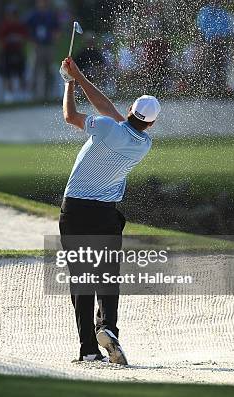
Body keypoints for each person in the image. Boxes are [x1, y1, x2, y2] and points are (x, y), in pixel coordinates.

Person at [59, 56, 160, 365]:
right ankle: (108, 328)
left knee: (82, 279)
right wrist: (78, 77)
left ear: (130, 110)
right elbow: (110, 112)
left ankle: (88, 349)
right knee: (107, 276)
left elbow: (70, 116)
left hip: (75, 210)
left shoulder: (104, 127)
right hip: (106, 214)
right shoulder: (144, 143)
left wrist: (70, 82)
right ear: (151, 123)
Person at [26, 0, 60, 99]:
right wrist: (31, 39)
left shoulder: (51, 15)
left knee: (49, 70)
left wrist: (55, 38)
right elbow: (26, 27)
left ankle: (47, 94)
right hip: (37, 46)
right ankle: (35, 95)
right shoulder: (33, 15)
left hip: (49, 45)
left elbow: (57, 28)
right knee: (35, 70)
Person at [196, 0, 231, 93]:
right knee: (206, 64)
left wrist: (219, 36)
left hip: (220, 42)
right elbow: (201, 27)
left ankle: (220, 87)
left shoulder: (223, 12)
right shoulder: (204, 11)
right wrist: (209, 37)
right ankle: (206, 87)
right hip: (208, 42)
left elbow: (226, 28)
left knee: (221, 65)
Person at [0, 4, 28, 102]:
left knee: (21, 73)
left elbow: (24, 38)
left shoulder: (20, 26)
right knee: (7, 74)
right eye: (11, 15)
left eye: (14, 15)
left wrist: (18, 40)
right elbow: (0, 40)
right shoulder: (4, 26)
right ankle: (9, 95)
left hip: (17, 51)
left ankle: (23, 95)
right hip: (7, 52)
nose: (13, 17)